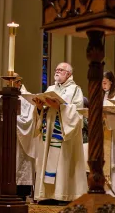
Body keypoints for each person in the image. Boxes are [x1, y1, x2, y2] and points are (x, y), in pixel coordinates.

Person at [32, 62, 87, 205]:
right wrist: (39, 107)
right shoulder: (50, 88)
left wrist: (61, 107)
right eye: (56, 69)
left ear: (68, 74)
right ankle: (47, 195)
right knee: (47, 159)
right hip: (49, 130)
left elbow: (78, 111)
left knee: (63, 163)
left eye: (60, 70)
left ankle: (64, 195)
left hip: (64, 132)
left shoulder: (75, 90)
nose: (57, 72)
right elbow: (44, 109)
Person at [12, 74, 37, 202]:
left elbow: (28, 120)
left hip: (22, 140)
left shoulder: (27, 98)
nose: (9, 85)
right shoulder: (6, 97)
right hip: (9, 138)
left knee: (22, 164)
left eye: (12, 82)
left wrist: (12, 119)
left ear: (19, 82)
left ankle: (22, 193)